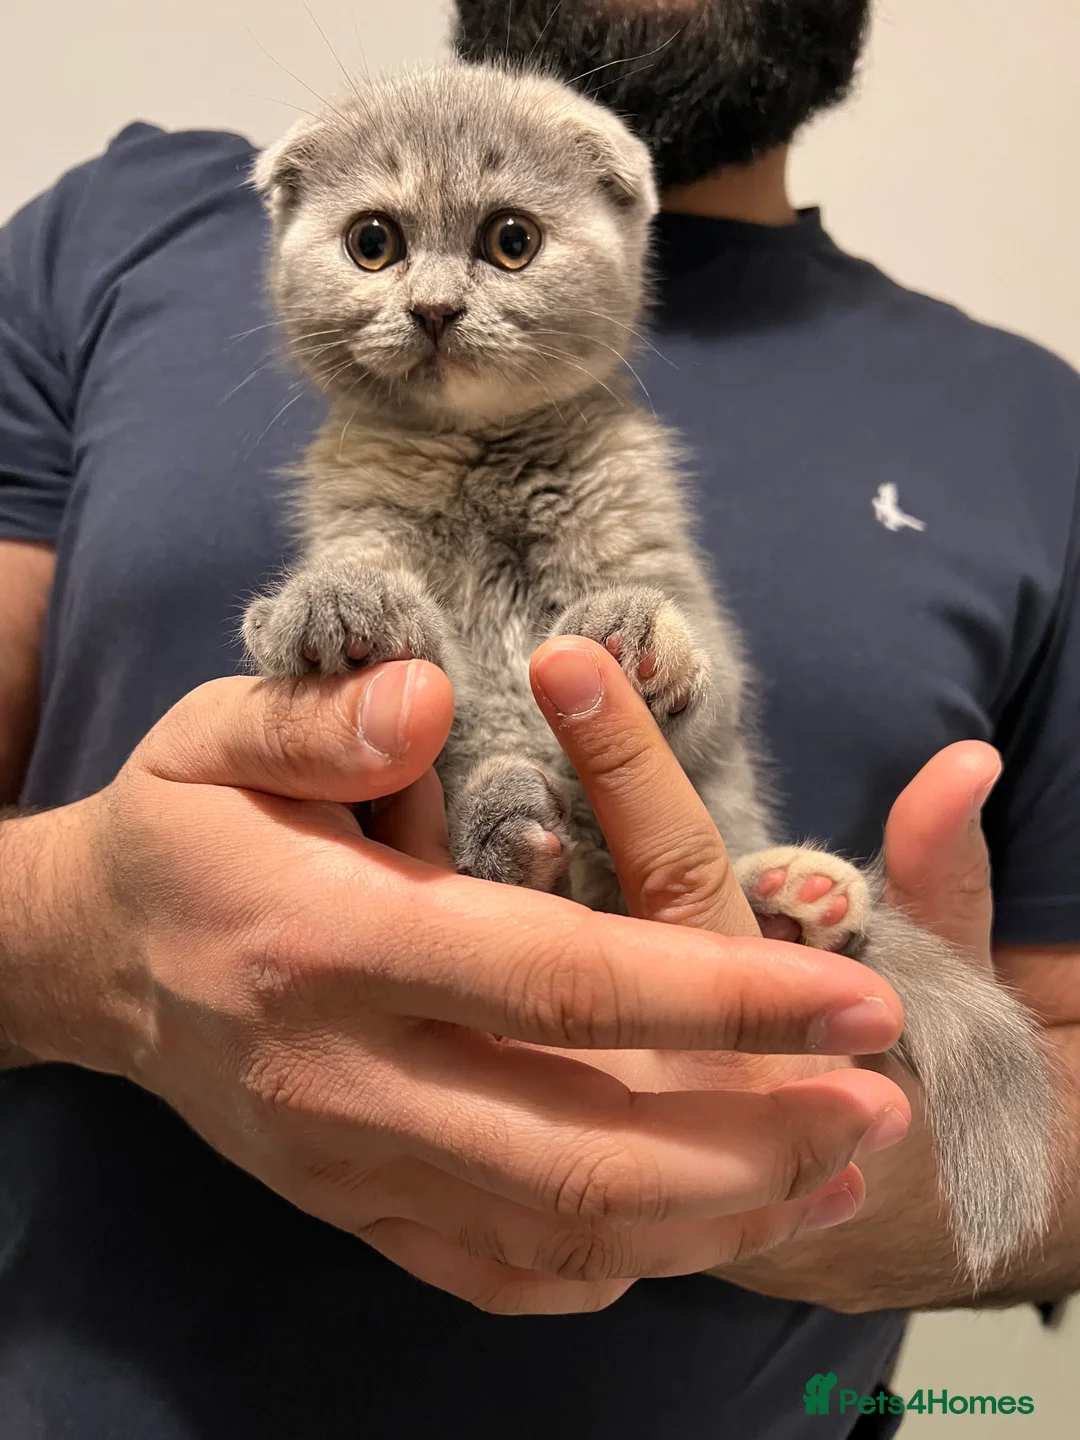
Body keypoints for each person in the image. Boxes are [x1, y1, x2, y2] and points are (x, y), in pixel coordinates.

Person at [0, 0, 1077, 1435]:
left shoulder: (1036, 428)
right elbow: (367, 596)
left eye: (508, 241)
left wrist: (832, 1176)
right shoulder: (109, 234)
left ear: (615, 214)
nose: (433, 296)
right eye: (374, 244)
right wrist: (88, 937)